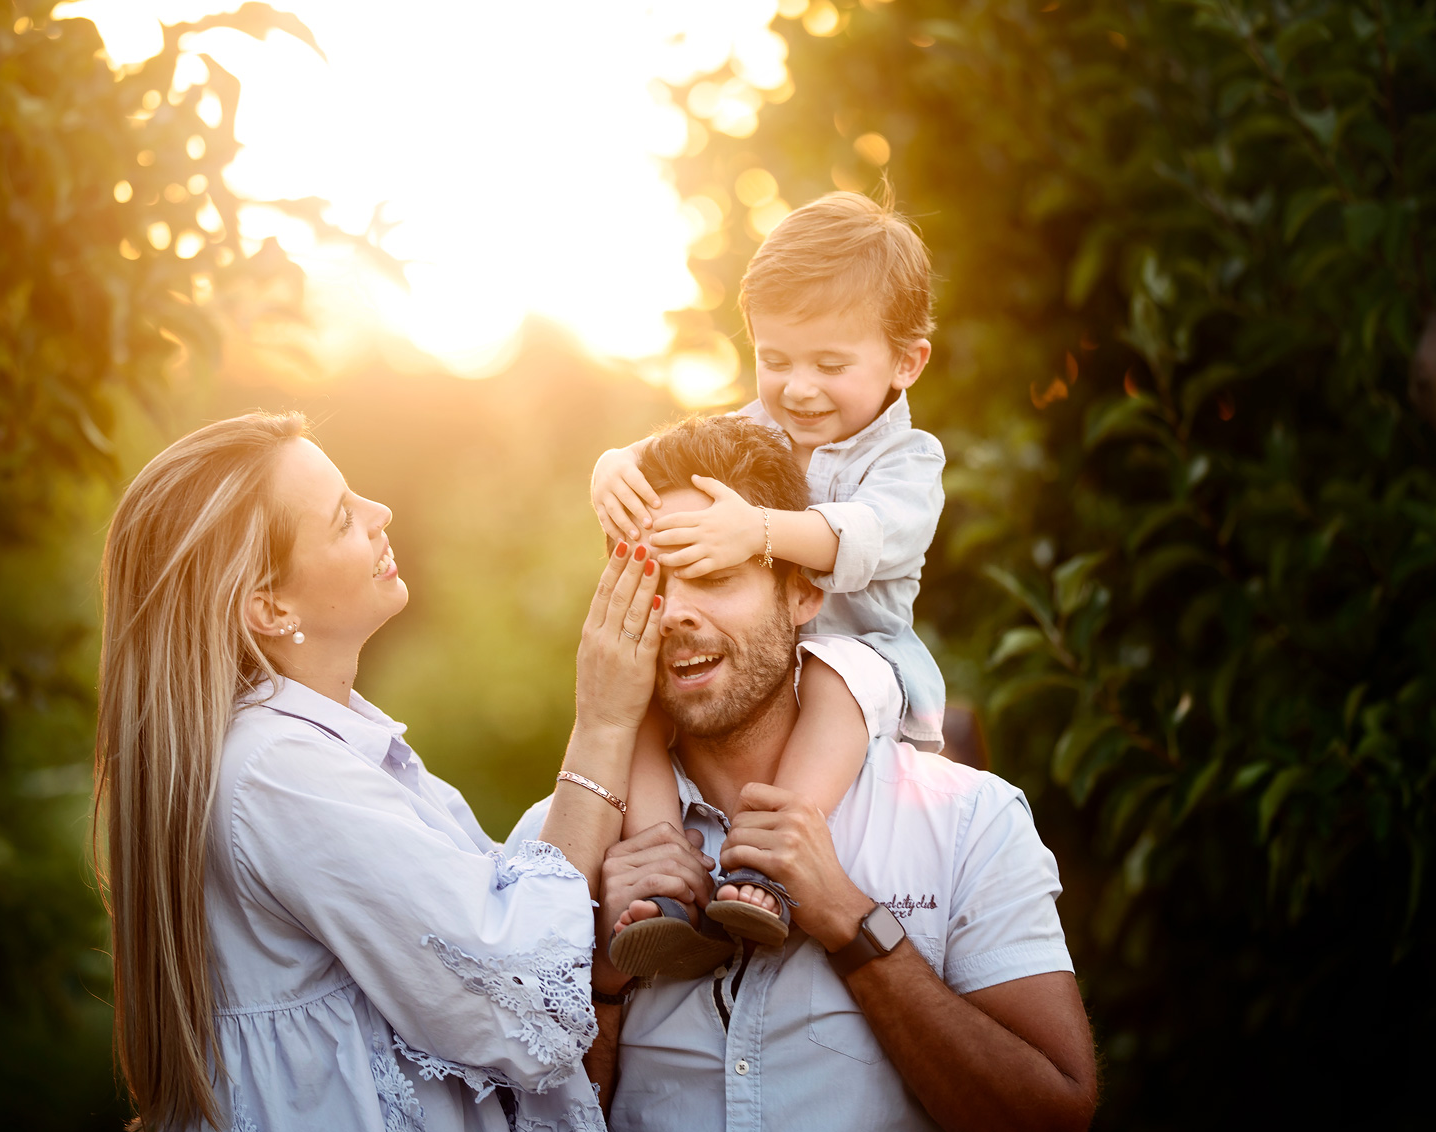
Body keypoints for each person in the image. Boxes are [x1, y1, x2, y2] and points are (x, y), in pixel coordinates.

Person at [514, 414, 1096, 1130]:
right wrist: (599, 978)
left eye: (712, 576)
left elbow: (1053, 1114)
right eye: (651, 582)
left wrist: (851, 923)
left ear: (803, 592)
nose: (673, 615)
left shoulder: (969, 822)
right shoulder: (557, 854)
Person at [93, 412, 664, 1131]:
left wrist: (604, 877)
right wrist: (604, 723)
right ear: (268, 606)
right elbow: (510, 990)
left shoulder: (325, 743)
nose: (380, 513)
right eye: (342, 518)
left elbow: (478, 907)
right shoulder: (278, 770)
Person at [590, 191, 949, 974]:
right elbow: (665, 451)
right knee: (639, 695)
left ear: (906, 362)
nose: (798, 389)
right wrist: (613, 465)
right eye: (776, 360)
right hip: (751, 661)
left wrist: (758, 531)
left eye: (830, 365)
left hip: (864, 656)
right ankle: (665, 868)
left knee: (832, 674)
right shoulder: (752, 429)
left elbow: (867, 535)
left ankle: (770, 860)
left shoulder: (908, 461)